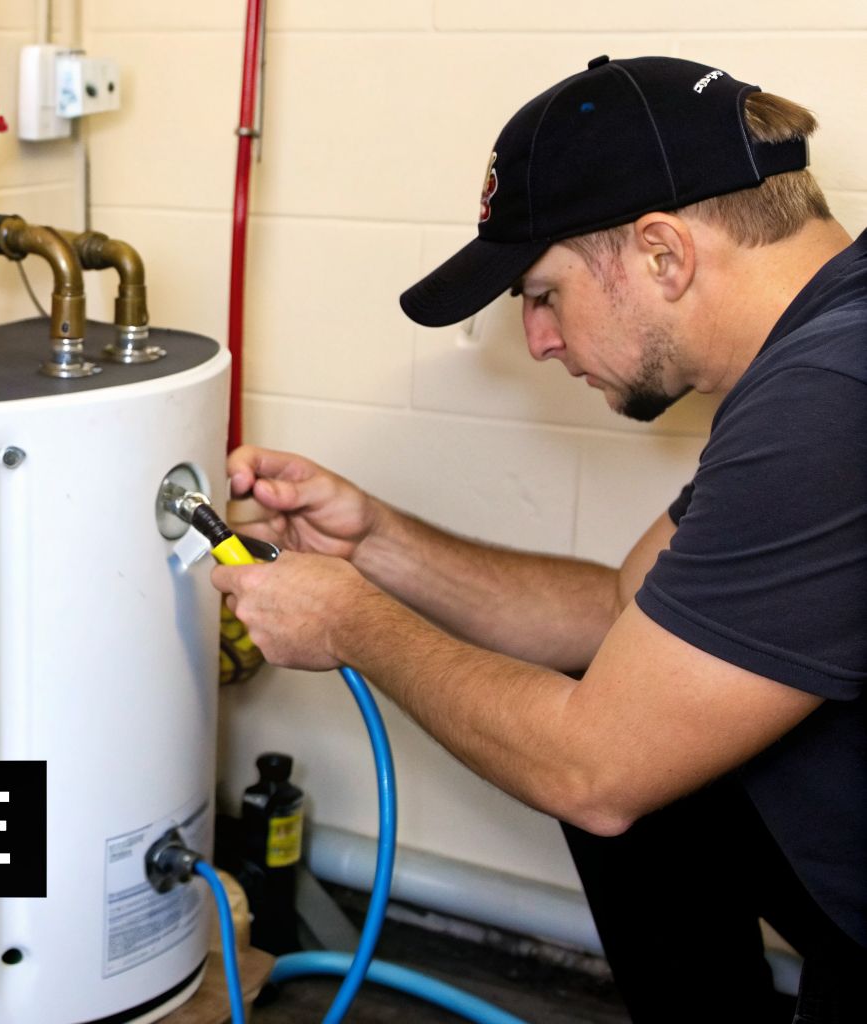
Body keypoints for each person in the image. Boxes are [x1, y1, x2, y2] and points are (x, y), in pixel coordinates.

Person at [210, 56, 866, 1022]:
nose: (539, 343)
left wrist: (350, 623)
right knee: (624, 713)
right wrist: (375, 542)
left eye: (544, 292)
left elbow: (594, 772)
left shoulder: (832, 397)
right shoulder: (818, 351)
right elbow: (619, 610)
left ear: (662, 253)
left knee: (600, 760)